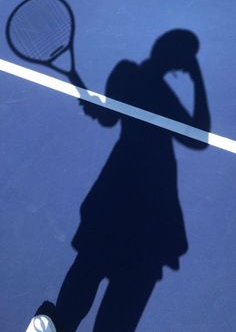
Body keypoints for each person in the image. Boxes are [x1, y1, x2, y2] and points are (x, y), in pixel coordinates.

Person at [26, 29, 210, 332]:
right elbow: (198, 136)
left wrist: (95, 106)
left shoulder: (135, 77)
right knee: (107, 284)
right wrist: (197, 77)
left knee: (93, 271)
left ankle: (55, 326)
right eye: (185, 55)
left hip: (127, 189)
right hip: (143, 196)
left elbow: (109, 117)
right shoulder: (147, 82)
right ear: (177, 58)